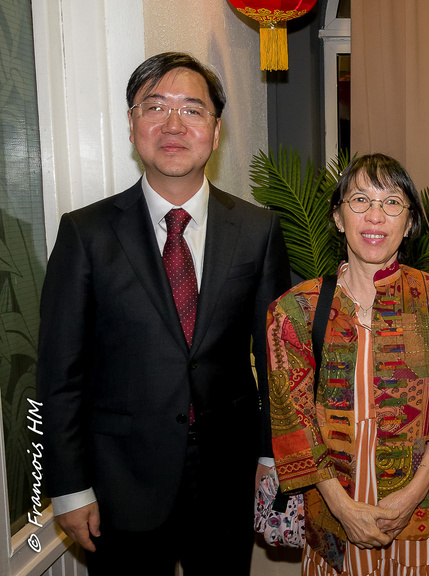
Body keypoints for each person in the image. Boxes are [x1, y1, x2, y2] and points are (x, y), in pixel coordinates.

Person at [36, 52, 291, 575]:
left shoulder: (257, 230)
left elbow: (276, 362)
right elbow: (59, 375)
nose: (173, 124)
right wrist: (66, 486)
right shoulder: (85, 234)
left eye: (192, 110)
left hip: (227, 476)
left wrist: (271, 455)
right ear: (132, 125)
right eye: (155, 107)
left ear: (215, 132)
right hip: (118, 484)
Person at [267, 153, 429, 575]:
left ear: (410, 222)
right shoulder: (297, 310)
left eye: (392, 202)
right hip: (335, 517)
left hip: (424, 517)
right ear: (339, 217)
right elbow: (294, 420)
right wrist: (343, 508)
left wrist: (411, 495)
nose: (376, 216)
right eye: (360, 200)